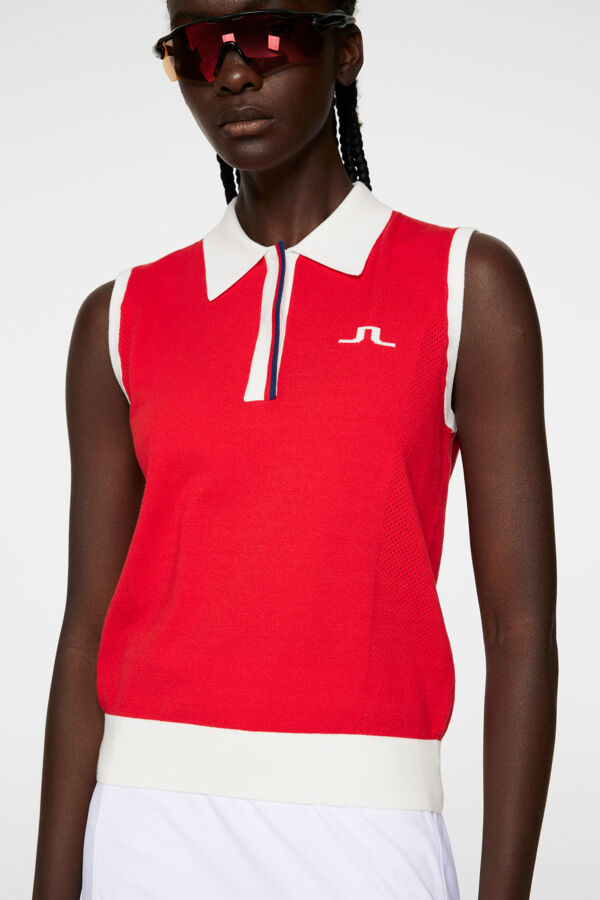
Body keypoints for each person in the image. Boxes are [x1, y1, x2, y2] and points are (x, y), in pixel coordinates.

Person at [32, 2, 558, 898]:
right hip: (145, 819)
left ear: (345, 52)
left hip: (369, 821)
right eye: (197, 49)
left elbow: (520, 630)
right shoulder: (118, 317)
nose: (232, 74)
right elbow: (87, 630)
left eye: (267, 38)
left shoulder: (464, 283)